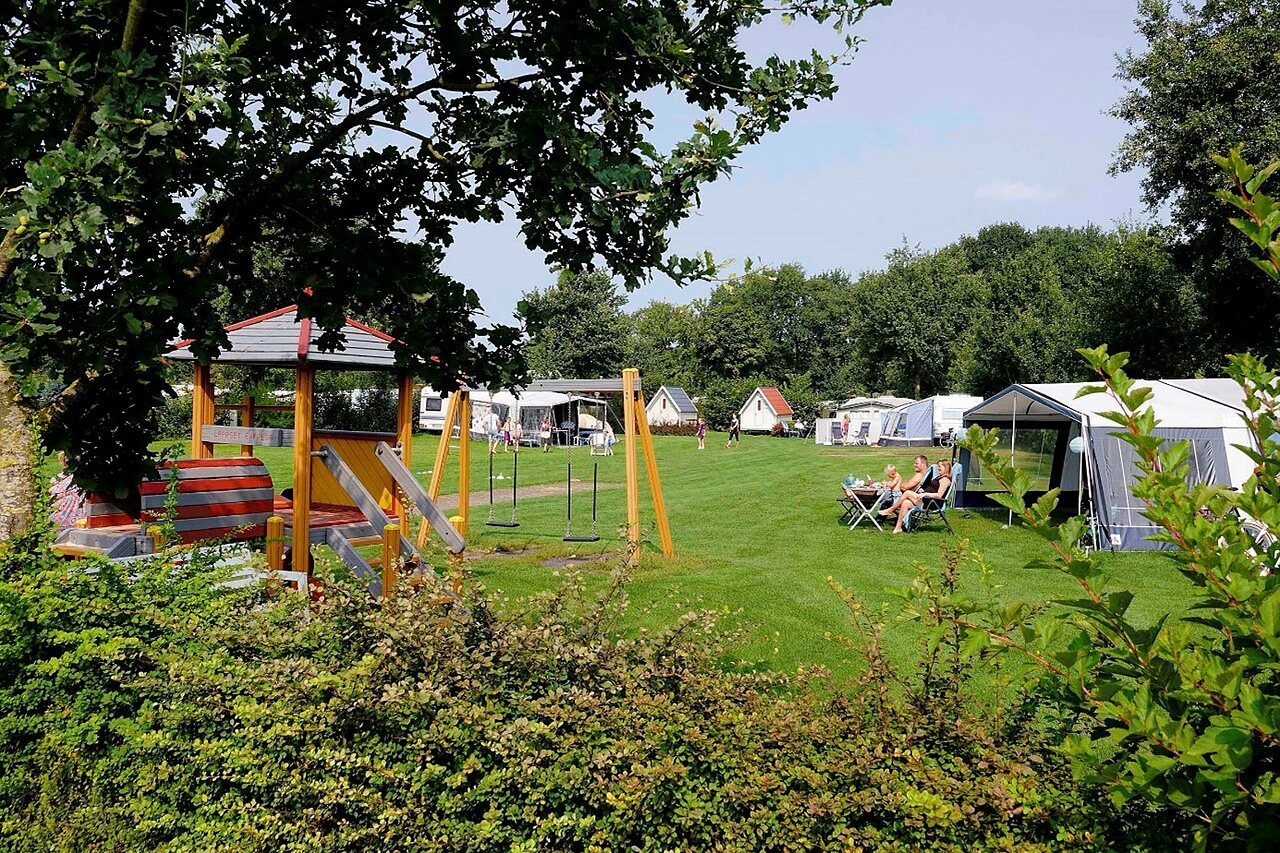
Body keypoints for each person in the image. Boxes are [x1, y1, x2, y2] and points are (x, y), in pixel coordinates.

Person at [883, 459, 953, 534]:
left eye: (940, 466)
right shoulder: (939, 477)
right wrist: (923, 492)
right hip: (925, 500)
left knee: (907, 493)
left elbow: (939, 495)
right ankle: (898, 527)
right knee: (905, 503)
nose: (938, 468)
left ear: (946, 468)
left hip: (932, 503)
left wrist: (925, 494)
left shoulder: (945, 480)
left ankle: (890, 510)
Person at [49, 451, 84, 530]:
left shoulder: (82, 477)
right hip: (61, 513)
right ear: (64, 459)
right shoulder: (56, 479)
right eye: (68, 457)